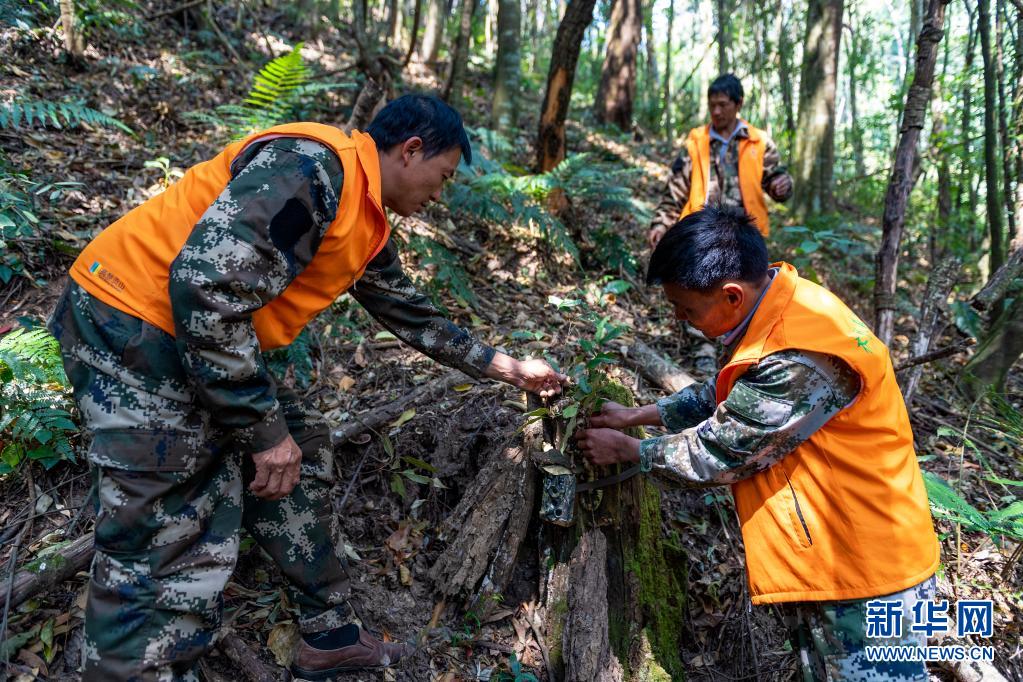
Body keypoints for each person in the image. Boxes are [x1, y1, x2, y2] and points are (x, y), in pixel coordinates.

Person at [48, 94, 566, 681]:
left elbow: (412, 316)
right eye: (442, 177)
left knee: (300, 449)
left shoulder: (360, 212)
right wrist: (262, 431)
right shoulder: (311, 168)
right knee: (159, 537)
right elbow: (205, 287)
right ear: (410, 149)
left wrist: (506, 367)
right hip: (131, 324)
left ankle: (329, 634)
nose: (439, 194)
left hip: (185, 337)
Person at [576, 206, 940, 681]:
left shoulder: (802, 352)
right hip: (840, 558)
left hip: (867, 572)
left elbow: (720, 454)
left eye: (686, 309)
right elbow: (731, 392)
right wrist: (638, 415)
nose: (681, 319)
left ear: (730, 295)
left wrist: (632, 451)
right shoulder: (781, 308)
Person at [648, 74, 793, 249]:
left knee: (745, 277)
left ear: (738, 104)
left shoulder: (759, 141)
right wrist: (661, 224)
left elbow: (775, 181)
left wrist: (782, 185)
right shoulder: (696, 142)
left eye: (723, 105)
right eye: (712, 105)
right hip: (701, 235)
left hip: (747, 236)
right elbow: (675, 191)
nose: (716, 111)